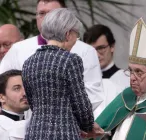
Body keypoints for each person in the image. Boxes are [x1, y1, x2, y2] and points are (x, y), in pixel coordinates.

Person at [0, 0, 104, 111]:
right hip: (26, 122)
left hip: (73, 123)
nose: (46, 18)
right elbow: (1, 86)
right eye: (41, 13)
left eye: (52, 13)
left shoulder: (86, 51)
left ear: (65, 17)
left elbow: (93, 93)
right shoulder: (18, 49)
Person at [22, 8, 103, 140]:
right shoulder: (71, 60)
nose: (76, 40)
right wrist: (88, 125)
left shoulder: (28, 63)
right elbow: (80, 103)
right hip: (64, 133)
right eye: (76, 35)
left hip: (34, 133)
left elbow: (32, 103)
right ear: (68, 34)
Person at [83, 24, 130, 118]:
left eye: (101, 48)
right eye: (91, 50)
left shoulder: (128, 79)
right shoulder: (81, 82)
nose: (96, 54)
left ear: (112, 47)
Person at [0, 70, 29, 140]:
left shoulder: (26, 120)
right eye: (17, 89)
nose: (25, 93)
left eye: (25, 87)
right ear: (1, 98)